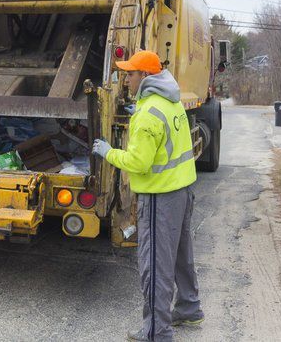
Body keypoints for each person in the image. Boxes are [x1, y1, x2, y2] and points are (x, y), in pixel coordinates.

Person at [92, 50, 203, 342]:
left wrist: (108, 152)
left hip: (159, 196)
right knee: (180, 254)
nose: (126, 79)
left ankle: (157, 331)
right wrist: (139, 114)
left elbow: (138, 163)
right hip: (181, 190)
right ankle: (189, 307)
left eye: (130, 74)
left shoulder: (147, 115)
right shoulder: (170, 100)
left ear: (144, 76)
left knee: (155, 264)